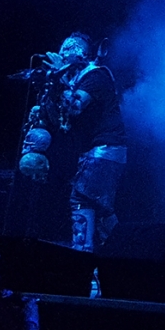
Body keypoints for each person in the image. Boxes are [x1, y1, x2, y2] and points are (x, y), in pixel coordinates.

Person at [35, 32, 127, 252]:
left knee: (81, 198)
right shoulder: (74, 81)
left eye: (69, 49)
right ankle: (123, 251)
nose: (62, 53)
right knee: (101, 206)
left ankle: (82, 252)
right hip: (98, 150)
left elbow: (75, 107)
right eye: (62, 48)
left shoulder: (96, 75)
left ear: (82, 55)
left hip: (106, 148)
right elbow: (60, 120)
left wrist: (59, 76)